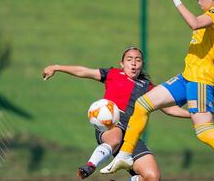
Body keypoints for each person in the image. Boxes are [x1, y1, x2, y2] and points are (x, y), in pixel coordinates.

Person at [100, 0, 214, 181]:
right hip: (188, 76)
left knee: (204, 131)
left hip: (201, 80)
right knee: (143, 104)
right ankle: (125, 155)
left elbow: (194, 23)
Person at [43, 46, 191, 181]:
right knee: (115, 138)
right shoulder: (113, 73)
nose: (134, 63)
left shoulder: (148, 87)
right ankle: (90, 165)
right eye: (129, 59)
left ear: (142, 65)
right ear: (122, 63)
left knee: (153, 177)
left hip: (132, 134)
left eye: (138, 60)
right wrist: (56, 67)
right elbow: (83, 71)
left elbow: (169, 109)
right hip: (111, 123)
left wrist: (195, 114)